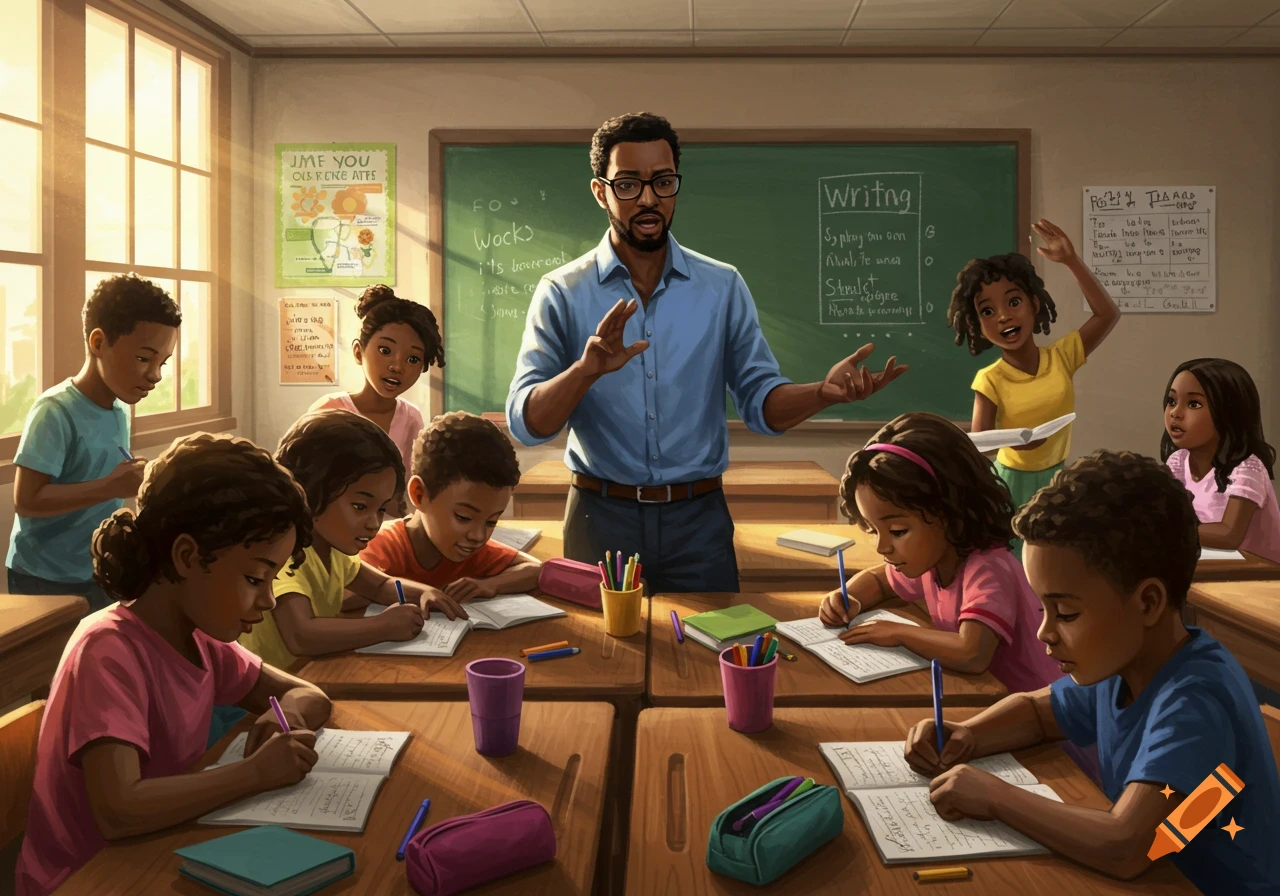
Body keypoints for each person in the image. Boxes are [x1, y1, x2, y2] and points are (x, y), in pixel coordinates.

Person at [505, 112, 906, 592]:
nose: (650, 198)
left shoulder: (722, 286)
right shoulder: (562, 292)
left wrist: (822, 392)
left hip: (698, 522)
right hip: (599, 519)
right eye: (629, 184)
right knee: (604, 658)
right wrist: (584, 371)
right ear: (600, 192)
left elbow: (761, 408)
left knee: (713, 655)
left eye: (663, 182)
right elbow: (526, 425)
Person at [904, 451, 1280, 893]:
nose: (1044, 631)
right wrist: (968, 733)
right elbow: (1039, 713)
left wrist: (995, 797)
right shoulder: (1126, 667)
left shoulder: (1196, 700)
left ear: (1147, 603)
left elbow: (1128, 847)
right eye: (1043, 607)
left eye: (1064, 612)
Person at [14, 434, 332, 896]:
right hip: (89, 878)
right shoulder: (107, 649)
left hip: (162, 850)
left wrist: (286, 717)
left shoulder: (199, 639)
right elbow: (119, 809)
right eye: (254, 578)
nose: (267, 599)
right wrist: (255, 773)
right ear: (186, 556)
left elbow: (309, 695)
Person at [813, 413, 1098, 779]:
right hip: (986, 708)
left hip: (1040, 729)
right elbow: (881, 580)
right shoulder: (932, 560)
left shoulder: (987, 566)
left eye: (897, 530)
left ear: (948, 512)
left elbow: (972, 652)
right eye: (872, 529)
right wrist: (848, 595)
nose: (882, 546)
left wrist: (898, 633)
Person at [237, 410, 467, 675]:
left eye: (380, 509)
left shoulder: (332, 550)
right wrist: (383, 626)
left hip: (311, 675)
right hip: (265, 695)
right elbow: (300, 635)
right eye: (360, 506)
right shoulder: (286, 552)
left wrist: (426, 592)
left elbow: (381, 585)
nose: (374, 523)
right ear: (310, 490)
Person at [7, 274, 180, 611]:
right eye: (144, 359)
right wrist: (110, 486)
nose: (156, 375)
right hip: (46, 576)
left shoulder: (119, 410)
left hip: (100, 568)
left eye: (162, 363)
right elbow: (26, 500)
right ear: (99, 343)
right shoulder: (54, 411)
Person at [948, 220, 1120, 521]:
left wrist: (1071, 261)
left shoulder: (1062, 357)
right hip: (1011, 484)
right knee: (1016, 561)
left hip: (1059, 481)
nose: (1003, 317)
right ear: (978, 325)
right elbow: (979, 446)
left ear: (1033, 303)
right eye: (987, 311)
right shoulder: (990, 378)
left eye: (1014, 301)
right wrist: (1018, 440)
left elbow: (1107, 314)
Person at [359, 411, 541, 600]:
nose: (478, 536)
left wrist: (489, 585)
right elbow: (346, 592)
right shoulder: (381, 544)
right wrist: (422, 593)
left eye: (491, 522)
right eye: (464, 517)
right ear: (419, 494)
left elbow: (535, 570)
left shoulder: (472, 551)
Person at [308, 284, 445, 513]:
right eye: (385, 351)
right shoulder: (329, 411)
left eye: (412, 359)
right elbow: (306, 483)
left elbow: (414, 486)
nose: (397, 366)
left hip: (388, 527)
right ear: (358, 352)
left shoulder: (411, 417)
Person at [1162, 357, 1279, 564]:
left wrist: (1162, 529)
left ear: (1229, 412)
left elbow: (1229, 535)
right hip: (1209, 564)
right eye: (1172, 401)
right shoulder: (1178, 462)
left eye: (1193, 404)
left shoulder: (1246, 467)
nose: (1175, 413)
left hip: (1260, 576)